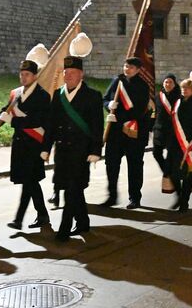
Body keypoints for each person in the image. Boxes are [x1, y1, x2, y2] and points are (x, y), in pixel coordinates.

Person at [41, 54, 103, 240]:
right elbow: (51, 124)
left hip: (81, 151)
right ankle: (83, 222)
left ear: (81, 75)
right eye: (66, 72)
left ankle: (64, 228)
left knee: (71, 189)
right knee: (73, 189)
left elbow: (97, 126)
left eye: (73, 73)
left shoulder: (92, 96)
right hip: (62, 152)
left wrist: (95, 150)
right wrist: (46, 147)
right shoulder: (58, 95)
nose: (68, 76)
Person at [0, 59, 51, 232]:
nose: (23, 78)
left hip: (33, 144)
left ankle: (21, 218)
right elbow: (5, 109)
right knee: (28, 181)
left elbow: (36, 120)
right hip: (20, 145)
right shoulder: (16, 94)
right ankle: (39, 215)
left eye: (27, 75)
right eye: (21, 74)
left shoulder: (42, 95)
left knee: (29, 181)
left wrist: (13, 120)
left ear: (35, 76)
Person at [103, 57, 151, 209]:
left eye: (130, 67)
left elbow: (139, 109)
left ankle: (135, 198)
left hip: (133, 131)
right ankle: (112, 196)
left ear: (137, 70)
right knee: (111, 164)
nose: (127, 69)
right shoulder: (117, 81)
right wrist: (108, 105)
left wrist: (120, 117)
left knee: (134, 166)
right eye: (125, 66)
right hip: (115, 133)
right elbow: (105, 99)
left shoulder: (143, 86)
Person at [167, 79, 192, 211]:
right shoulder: (177, 103)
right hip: (175, 144)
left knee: (188, 176)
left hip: (190, 145)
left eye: (188, 88)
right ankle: (180, 195)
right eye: (183, 88)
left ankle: (184, 201)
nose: (184, 90)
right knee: (173, 173)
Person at [153, 73, 181, 188]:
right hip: (159, 130)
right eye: (166, 82)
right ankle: (169, 174)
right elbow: (155, 113)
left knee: (171, 159)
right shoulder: (158, 96)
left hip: (173, 132)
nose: (168, 84)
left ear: (174, 84)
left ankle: (173, 179)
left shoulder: (179, 97)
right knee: (156, 154)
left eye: (170, 82)